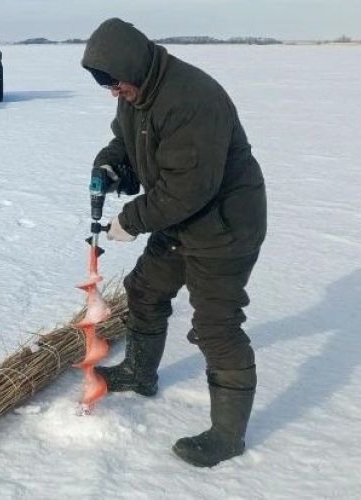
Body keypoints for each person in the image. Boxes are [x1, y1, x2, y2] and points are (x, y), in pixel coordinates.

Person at [81, 18, 267, 467]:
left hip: (223, 226)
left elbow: (190, 188)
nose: (112, 91)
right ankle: (140, 373)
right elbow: (126, 143)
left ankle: (227, 436)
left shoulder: (192, 98)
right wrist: (110, 165)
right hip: (179, 221)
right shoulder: (138, 93)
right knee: (144, 290)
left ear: (133, 66)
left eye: (115, 82)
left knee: (216, 327)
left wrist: (131, 219)